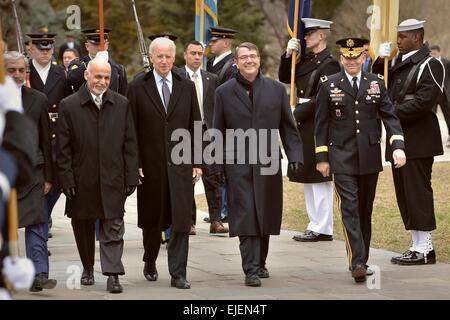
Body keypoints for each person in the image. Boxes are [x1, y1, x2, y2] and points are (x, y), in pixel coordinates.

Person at [315, 37, 406, 282]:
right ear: (341, 58)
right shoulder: (329, 84)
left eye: (356, 57)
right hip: (340, 157)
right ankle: (356, 261)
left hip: (369, 157)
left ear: (364, 58)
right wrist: (322, 158)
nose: (351, 62)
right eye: (347, 57)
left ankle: (362, 258)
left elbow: (390, 116)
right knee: (350, 209)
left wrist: (397, 146)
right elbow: (321, 123)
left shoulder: (377, 83)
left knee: (365, 210)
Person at [213, 42, 303, 287]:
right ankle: (250, 268)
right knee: (246, 214)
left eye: (253, 56)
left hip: (268, 162)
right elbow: (217, 131)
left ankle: (260, 262)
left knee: (265, 213)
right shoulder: (223, 92)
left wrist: (295, 156)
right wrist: (216, 165)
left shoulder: (276, 90)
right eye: (244, 57)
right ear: (236, 62)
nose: (249, 60)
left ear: (260, 59)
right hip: (238, 163)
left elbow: (288, 126)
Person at [56, 53, 139, 293]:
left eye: (106, 77)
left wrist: (131, 175)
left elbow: (130, 143)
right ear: (86, 76)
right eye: (97, 76)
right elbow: (62, 149)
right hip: (82, 180)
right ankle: (88, 267)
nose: (102, 81)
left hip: (113, 178)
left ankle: (113, 273)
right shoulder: (69, 105)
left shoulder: (121, 103)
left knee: (113, 225)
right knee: (82, 226)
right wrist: (67, 179)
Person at [127, 37, 203, 289]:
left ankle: (178, 273)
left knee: (180, 220)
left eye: (168, 56)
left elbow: (196, 125)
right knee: (152, 220)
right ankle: (149, 260)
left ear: (174, 58)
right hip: (150, 167)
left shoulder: (186, 86)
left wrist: (198, 161)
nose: (163, 61)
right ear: (151, 58)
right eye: (158, 56)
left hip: (181, 165)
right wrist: (134, 161)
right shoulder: (138, 86)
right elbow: (131, 129)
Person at [375, 19, 445, 265]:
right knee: (405, 194)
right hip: (399, 138)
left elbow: (425, 101)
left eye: (402, 37)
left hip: (419, 139)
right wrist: (378, 61)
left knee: (418, 193)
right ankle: (416, 245)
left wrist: (390, 111)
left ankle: (425, 248)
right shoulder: (396, 63)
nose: (398, 42)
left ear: (417, 37)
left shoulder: (431, 64)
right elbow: (378, 85)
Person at [279, 18, 340, 242]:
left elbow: (322, 99)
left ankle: (323, 228)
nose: (305, 37)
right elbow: (285, 77)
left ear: (322, 35)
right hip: (305, 124)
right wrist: (288, 55)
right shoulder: (305, 60)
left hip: (317, 123)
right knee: (307, 176)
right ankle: (314, 223)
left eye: (311, 33)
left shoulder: (330, 64)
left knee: (319, 177)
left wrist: (297, 112)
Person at [4, 51, 56, 292]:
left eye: (20, 70)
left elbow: (46, 139)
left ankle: (39, 273)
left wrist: (49, 176)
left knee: (37, 221)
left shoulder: (38, 99)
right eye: (10, 70)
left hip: (33, 171)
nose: (16, 75)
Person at [27, 31, 71, 243]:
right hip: (33, 135)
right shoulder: (24, 73)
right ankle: (40, 232)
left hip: (55, 136)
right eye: (40, 49)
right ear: (31, 49)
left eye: (48, 49)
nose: (44, 52)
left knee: (57, 185)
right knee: (39, 187)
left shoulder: (60, 74)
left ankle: (45, 219)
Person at [182, 40, 228, 235]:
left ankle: (216, 220)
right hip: (185, 134)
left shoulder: (212, 78)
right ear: (184, 55)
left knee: (213, 178)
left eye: (200, 53)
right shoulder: (177, 77)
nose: (196, 57)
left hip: (209, 134)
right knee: (187, 179)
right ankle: (189, 221)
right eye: (192, 53)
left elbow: (217, 107)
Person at [67, 27, 127, 95]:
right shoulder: (78, 64)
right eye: (95, 44)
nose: (99, 47)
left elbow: (123, 97)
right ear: (87, 46)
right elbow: (71, 79)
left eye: (102, 44)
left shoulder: (118, 69)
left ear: (107, 45)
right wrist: (92, 63)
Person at [430, 45, 450, 145]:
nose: (433, 56)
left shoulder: (446, 63)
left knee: (448, 115)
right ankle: (432, 137)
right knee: (431, 116)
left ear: (439, 53)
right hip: (433, 95)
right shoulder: (429, 64)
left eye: (435, 54)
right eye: (431, 54)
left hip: (444, 94)